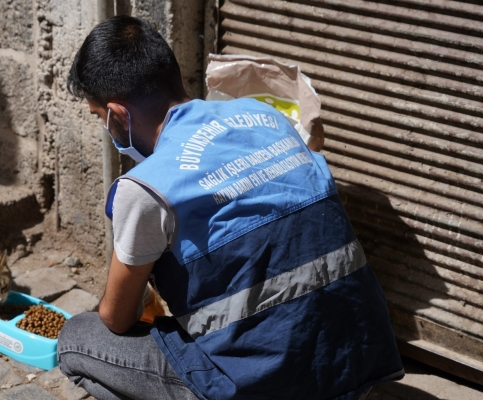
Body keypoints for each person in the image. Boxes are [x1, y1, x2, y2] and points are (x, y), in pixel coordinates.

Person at [57, 15, 404, 400]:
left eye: (99, 117)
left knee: (76, 340)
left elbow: (116, 318)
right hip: (356, 361)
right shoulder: (268, 117)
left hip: (267, 385)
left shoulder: (147, 186)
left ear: (118, 115)